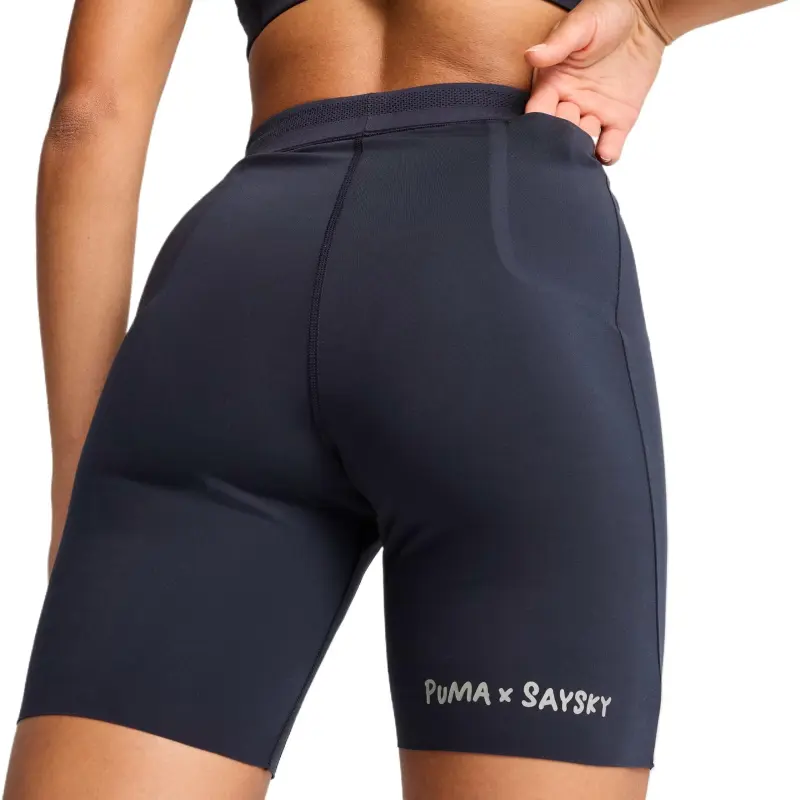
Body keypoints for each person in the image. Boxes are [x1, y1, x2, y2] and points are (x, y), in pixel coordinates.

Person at [2, 0, 783, 798]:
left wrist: (81, 475)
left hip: (232, 293)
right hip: (501, 282)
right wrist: (648, 15)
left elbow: (89, 117)